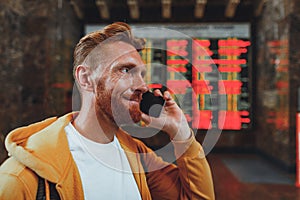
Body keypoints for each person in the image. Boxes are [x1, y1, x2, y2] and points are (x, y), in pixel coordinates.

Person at [0, 22, 215, 199]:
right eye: (125, 70)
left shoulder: (138, 157)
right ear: (85, 79)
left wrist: (180, 132)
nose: (143, 86)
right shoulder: (21, 179)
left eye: (141, 74)